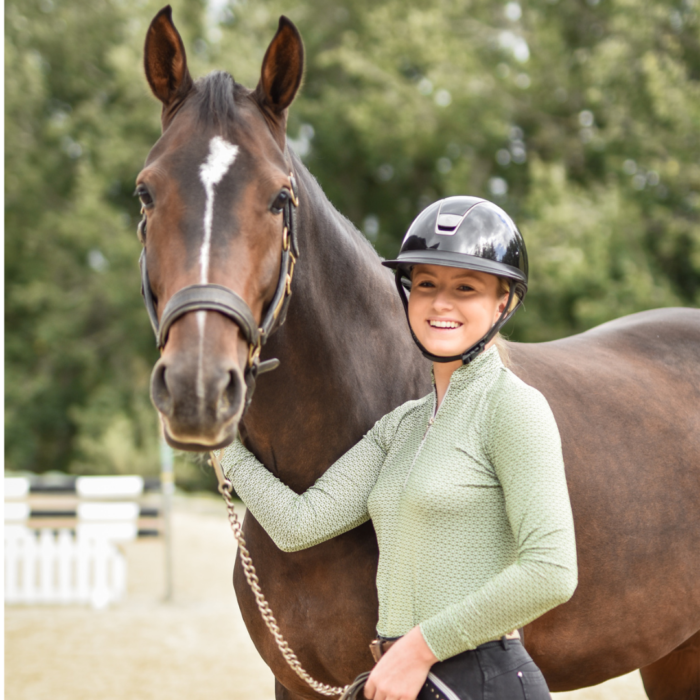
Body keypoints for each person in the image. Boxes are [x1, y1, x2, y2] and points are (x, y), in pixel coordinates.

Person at [221, 196, 578, 700]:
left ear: (504, 303)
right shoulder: (402, 426)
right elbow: (301, 525)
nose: (440, 303)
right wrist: (222, 447)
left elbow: (552, 572)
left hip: (478, 681)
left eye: (466, 288)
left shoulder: (515, 408)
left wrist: (417, 650)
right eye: (426, 284)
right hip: (404, 680)